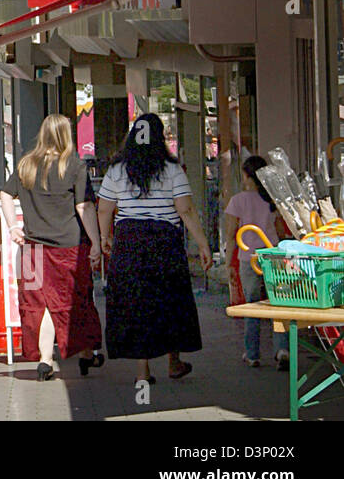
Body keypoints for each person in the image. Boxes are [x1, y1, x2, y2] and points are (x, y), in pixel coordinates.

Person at [98, 113, 211, 384]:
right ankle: (173, 361)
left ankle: (142, 372)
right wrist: (203, 243)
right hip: (164, 240)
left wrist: (104, 237)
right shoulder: (172, 169)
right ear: (160, 137)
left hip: (129, 239)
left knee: (138, 303)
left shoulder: (117, 169)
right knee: (170, 299)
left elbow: (104, 208)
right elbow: (185, 209)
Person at [0, 114, 103, 381]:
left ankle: (45, 359)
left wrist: (13, 227)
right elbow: (84, 206)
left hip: (34, 248)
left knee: (42, 304)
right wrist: (96, 242)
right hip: (69, 247)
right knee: (76, 299)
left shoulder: (27, 165)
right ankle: (85, 355)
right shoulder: (75, 166)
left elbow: (5, 193)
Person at [223, 155, 289, 369]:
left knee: (252, 305)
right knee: (277, 303)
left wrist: (228, 264)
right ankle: (282, 350)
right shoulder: (271, 199)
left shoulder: (237, 200)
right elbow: (279, 229)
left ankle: (252, 353)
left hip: (248, 256)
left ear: (247, 176)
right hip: (272, 254)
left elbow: (232, 234)